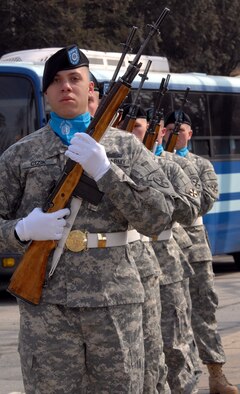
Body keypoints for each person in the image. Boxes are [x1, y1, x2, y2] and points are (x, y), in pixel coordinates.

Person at [0, 45, 182, 394]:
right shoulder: (19, 155)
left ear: (91, 90)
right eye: (56, 81)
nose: (66, 87)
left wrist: (106, 171)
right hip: (47, 306)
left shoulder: (126, 150)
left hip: (115, 301)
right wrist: (21, 231)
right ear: (46, 94)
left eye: (74, 79)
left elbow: (161, 217)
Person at [124, 107, 202, 392]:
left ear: (154, 129)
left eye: (139, 127)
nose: (133, 133)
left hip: (165, 262)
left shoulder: (168, 165)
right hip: (128, 265)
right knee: (143, 351)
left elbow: (191, 207)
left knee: (173, 342)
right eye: (128, 126)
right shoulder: (112, 161)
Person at [163, 110, 239, 394]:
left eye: (180, 130)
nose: (174, 134)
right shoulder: (151, 159)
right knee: (173, 315)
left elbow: (204, 202)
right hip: (164, 244)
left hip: (194, 243)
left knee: (203, 308)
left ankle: (216, 373)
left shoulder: (200, 164)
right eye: (169, 129)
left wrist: (177, 166)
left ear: (190, 134)